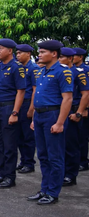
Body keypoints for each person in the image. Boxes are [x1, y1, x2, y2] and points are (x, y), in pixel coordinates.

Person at [27, 40, 72, 205]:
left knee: (55, 156)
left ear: (54, 54)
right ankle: (44, 189)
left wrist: (60, 123)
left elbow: (67, 99)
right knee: (43, 156)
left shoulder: (63, 72)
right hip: (39, 116)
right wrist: (33, 118)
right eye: (39, 52)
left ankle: (53, 192)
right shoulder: (41, 72)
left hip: (53, 115)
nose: (39, 54)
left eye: (43, 52)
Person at [0, 39, 26, 189]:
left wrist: (15, 112)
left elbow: (21, 91)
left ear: (10, 51)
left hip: (8, 108)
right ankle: (1, 173)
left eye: (1, 48)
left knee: (9, 144)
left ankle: (10, 176)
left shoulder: (17, 68)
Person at [59, 47, 89, 187]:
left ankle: (71, 175)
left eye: (62, 57)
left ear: (70, 58)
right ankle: (63, 172)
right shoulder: (59, 71)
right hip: (61, 111)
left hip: (73, 111)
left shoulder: (79, 72)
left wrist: (80, 112)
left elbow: (86, 94)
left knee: (72, 145)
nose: (59, 59)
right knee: (61, 145)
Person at [15, 44, 38, 174]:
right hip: (19, 103)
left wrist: (31, 108)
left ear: (28, 54)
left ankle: (29, 163)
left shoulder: (33, 68)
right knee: (19, 136)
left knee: (28, 136)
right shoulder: (19, 68)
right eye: (17, 53)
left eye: (20, 53)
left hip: (28, 103)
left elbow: (35, 90)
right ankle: (23, 160)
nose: (18, 55)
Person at [73, 48, 89, 171]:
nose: (72, 57)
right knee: (75, 138)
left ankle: (83, 161)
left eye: (75, 56)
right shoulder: (69, 70)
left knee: (82, 136)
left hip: (81, 105)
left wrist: (85, 108)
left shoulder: (85, 70)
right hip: (73, 105)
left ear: (80, 57)